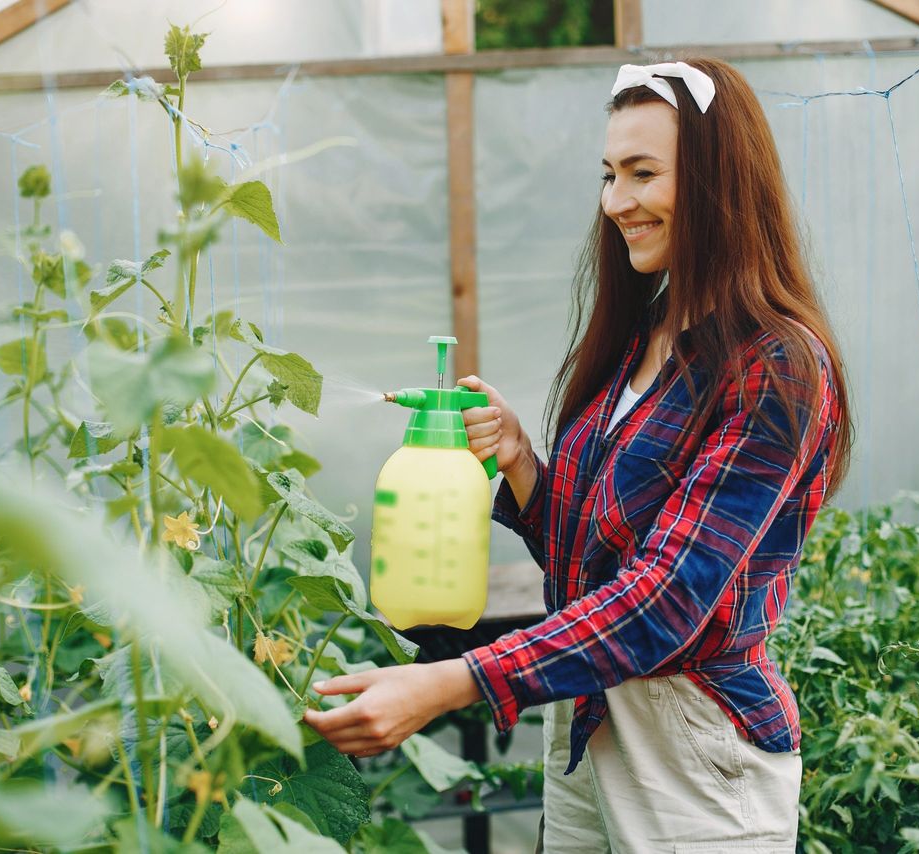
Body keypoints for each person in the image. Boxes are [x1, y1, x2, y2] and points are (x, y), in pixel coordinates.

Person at [304, 58, 853, 852]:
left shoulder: (775, 364)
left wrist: (452, 683)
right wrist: (522, 461)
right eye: (608, 174)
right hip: (589, 712)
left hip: (690, 739)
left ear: (716, 180)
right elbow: (595, 557)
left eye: (642, 173)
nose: (616, 202)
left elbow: (666, 599)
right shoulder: (644, 332)